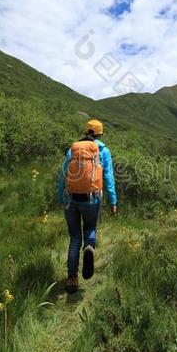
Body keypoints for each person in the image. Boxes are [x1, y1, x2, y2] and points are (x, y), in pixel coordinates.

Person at [58, 119, 117, 294]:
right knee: (90, 227)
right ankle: (90, 246)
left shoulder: (74, 149)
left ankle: (72, 279)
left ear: (86, 132)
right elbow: (108, 178)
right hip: (92, 199)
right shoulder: (104, 151)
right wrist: (113, 201)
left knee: (75, 238)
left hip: (71, 199)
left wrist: (61, 196)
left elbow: (64, 174)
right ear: (100, 133)